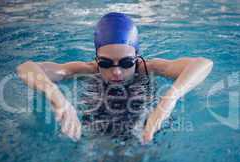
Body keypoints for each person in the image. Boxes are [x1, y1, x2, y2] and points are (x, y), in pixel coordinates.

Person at [17, 12, 213, 144]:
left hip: (145, 123)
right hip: (97, 125)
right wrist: (57, 98)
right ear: (96, 59)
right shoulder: (87, 69)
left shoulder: (148, 67)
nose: (117, 72)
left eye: (127, 63)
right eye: (106, 63)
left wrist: (169, 99)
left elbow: (204, 63)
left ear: (137, 57)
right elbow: (26, 67)